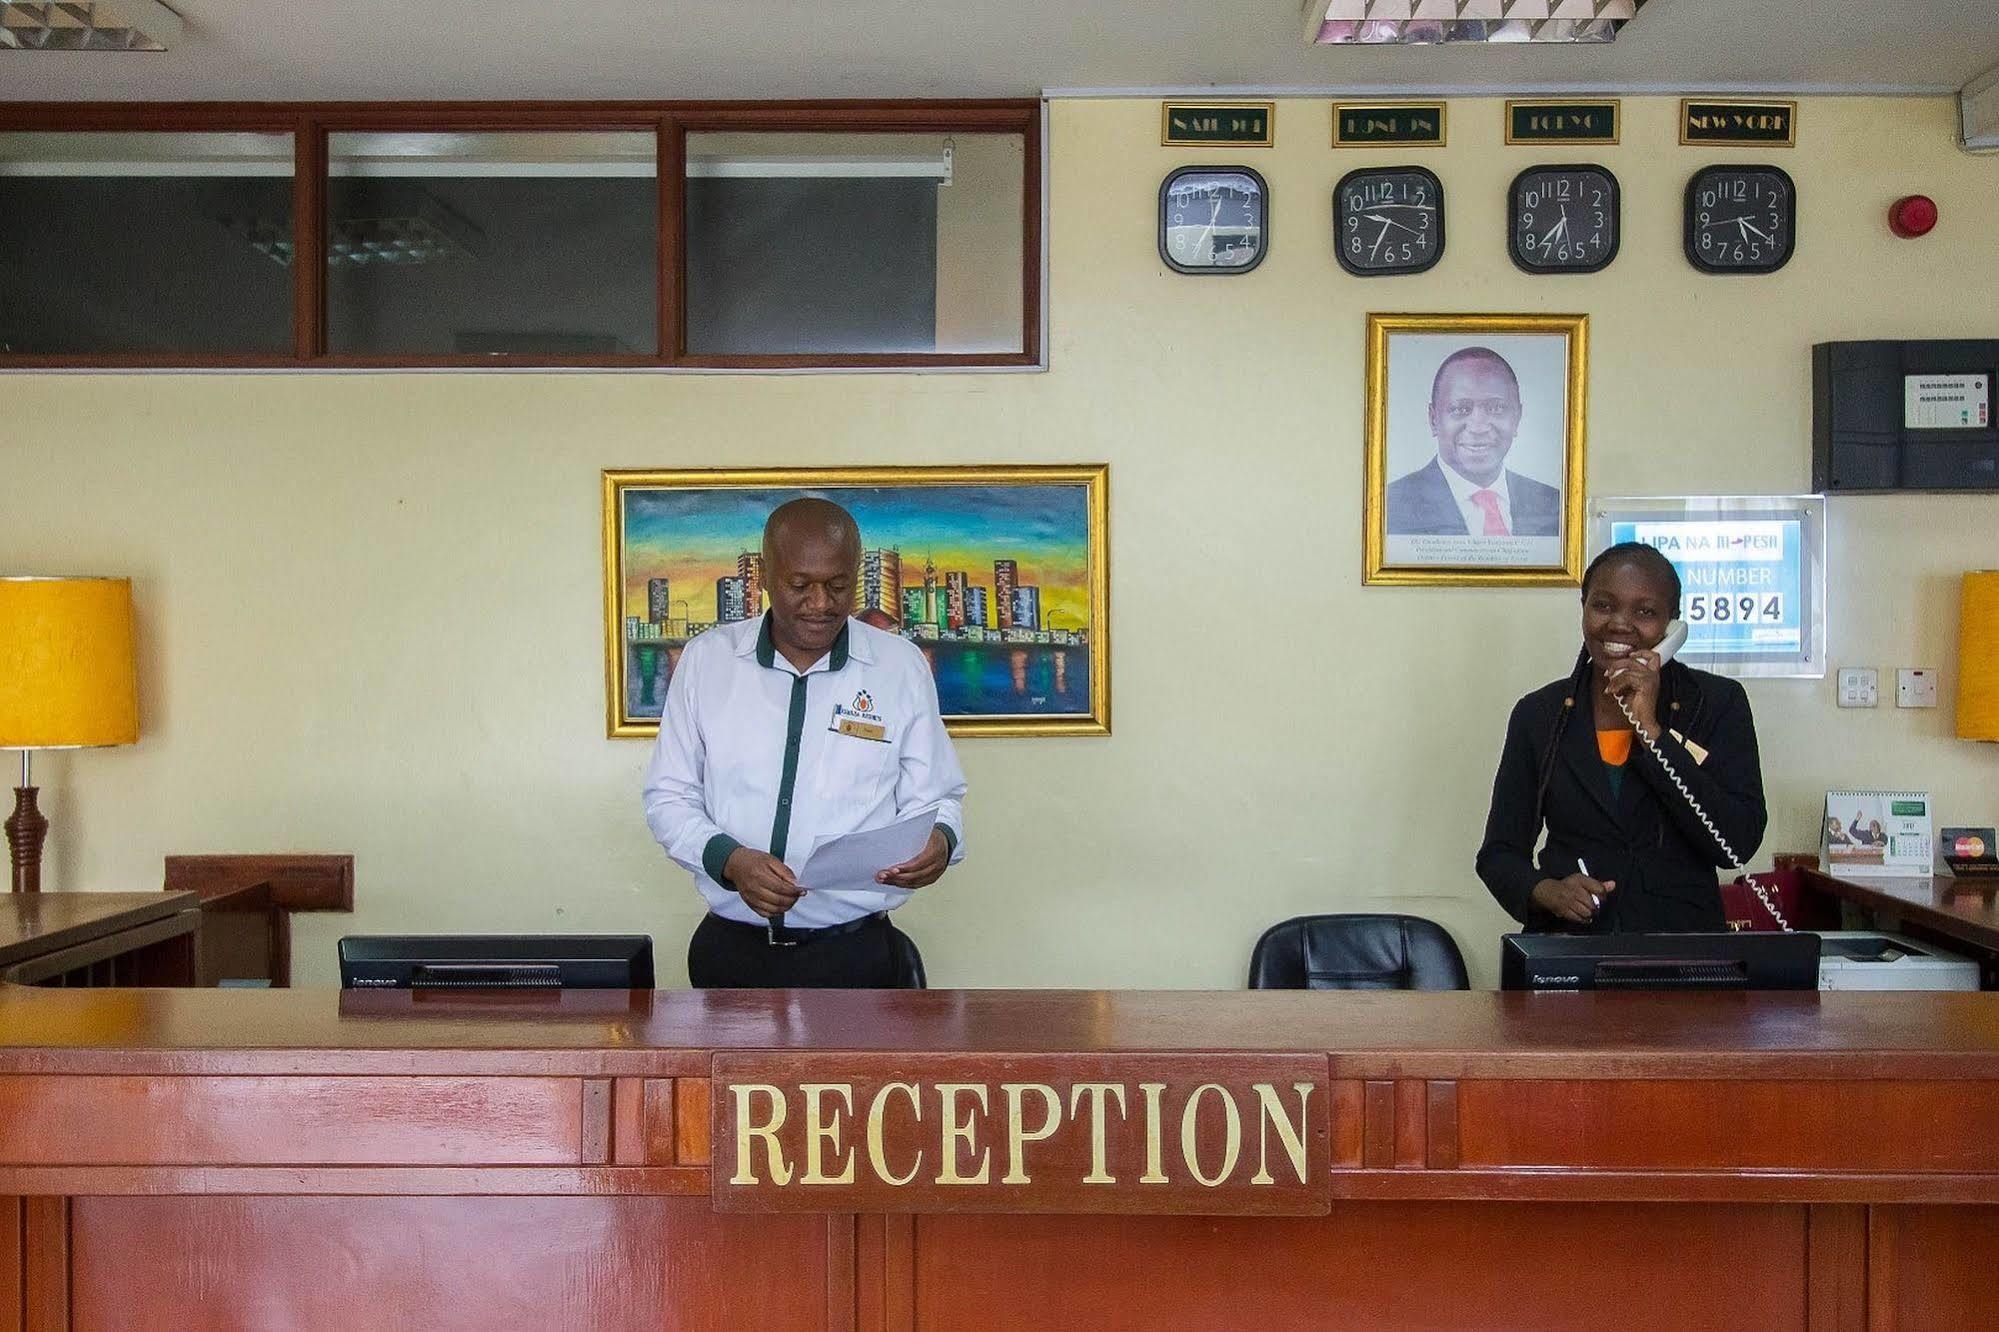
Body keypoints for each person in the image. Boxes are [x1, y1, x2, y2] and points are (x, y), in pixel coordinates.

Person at [642, 497, 967, 987]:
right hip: (731, 954)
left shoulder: (900, 667)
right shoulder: (707, 663)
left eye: (838, 586)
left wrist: (941, 842)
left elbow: (939, 798)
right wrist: (729, 859)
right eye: (800, 586)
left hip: (856, 955)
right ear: (766, 578)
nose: (821, 604)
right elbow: (669, 797)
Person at [1477, 542, 1767, 933]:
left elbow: (1737, 842)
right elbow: (1499, 854)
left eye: (1645, 611)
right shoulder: (1539, 715)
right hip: (1571, 951)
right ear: (1583, 607)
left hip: (1682, 954)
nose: (1619, 624)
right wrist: (1547, 891)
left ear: (1673, 623)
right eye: (1603, 605)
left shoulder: (1716, 704)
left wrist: (1652, 732)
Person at [1384, 346, 1562, 538]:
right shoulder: (1390, 506)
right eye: (1460, 409)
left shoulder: (1554, 505)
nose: (1478, 427)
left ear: (1517, 418)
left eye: (1496, 408)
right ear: (1434, 420)